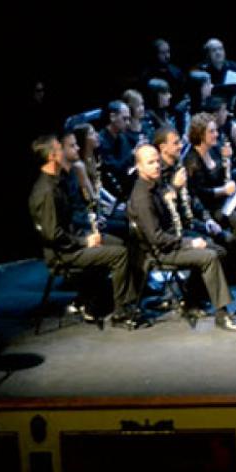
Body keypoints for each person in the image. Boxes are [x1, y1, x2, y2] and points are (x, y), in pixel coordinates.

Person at [127, 144, 236, 331]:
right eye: (150, 163)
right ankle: (222, 315)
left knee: (219, 250)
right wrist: (189, 243)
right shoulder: (142, 197)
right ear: (139, 167)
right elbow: (156, 237)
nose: (157, 165)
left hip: (172, 241)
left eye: (157, 161)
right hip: (162, 251)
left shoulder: (155, 185)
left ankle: (191, 300)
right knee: (209, 257)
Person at [30, 133, 142, 327]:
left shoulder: (59, 181)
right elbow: (53, 235)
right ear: (51, 157)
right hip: (62, 253)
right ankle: (121, 312)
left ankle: (129, 301)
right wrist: (85, 241)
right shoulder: (46, 191)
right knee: (119, 254)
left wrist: (88, 234)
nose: (63, 153)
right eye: (59, 149)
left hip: (73, 241)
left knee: (123, 243)